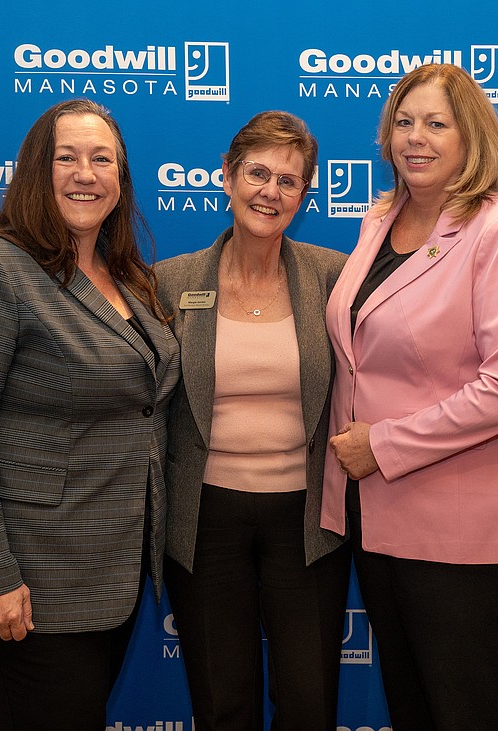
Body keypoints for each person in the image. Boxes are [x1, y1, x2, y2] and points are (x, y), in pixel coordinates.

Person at [0, 99, 179, 730]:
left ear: (122, 177)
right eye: (67, 157)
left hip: (106, 578)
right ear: (35, 170)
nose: (85, 173)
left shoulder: (126, 277)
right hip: (24, 584)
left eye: (102, 158)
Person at [322, 64, 498, 730]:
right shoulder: (380, 220)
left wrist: (385, 443)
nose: (414, 138)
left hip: (464, 538)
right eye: (403, 121)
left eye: (435, 123)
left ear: (469, 136)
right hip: (381, 523)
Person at [155, 111, 351, 731]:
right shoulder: (172, 281)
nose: (270, 192)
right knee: (222, 700)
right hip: (205, 516)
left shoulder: (333, 277)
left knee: (308, 698)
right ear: (227, 176)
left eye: (288, 181)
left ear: (306, 193)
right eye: (257, 174)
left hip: (306, 517)